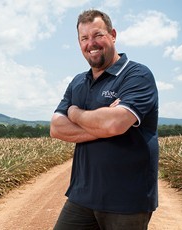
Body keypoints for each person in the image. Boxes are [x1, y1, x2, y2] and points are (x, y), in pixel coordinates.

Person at [50, 9, 159, 230]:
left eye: (98, 35)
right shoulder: (78, 82)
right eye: (84, 38)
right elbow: (56, 128)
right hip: (81, 196)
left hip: (127, 201)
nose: (91, 43)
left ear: (113, 35)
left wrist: (75, 114)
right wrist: (106, 123)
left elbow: (114, 123)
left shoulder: (137, 75)